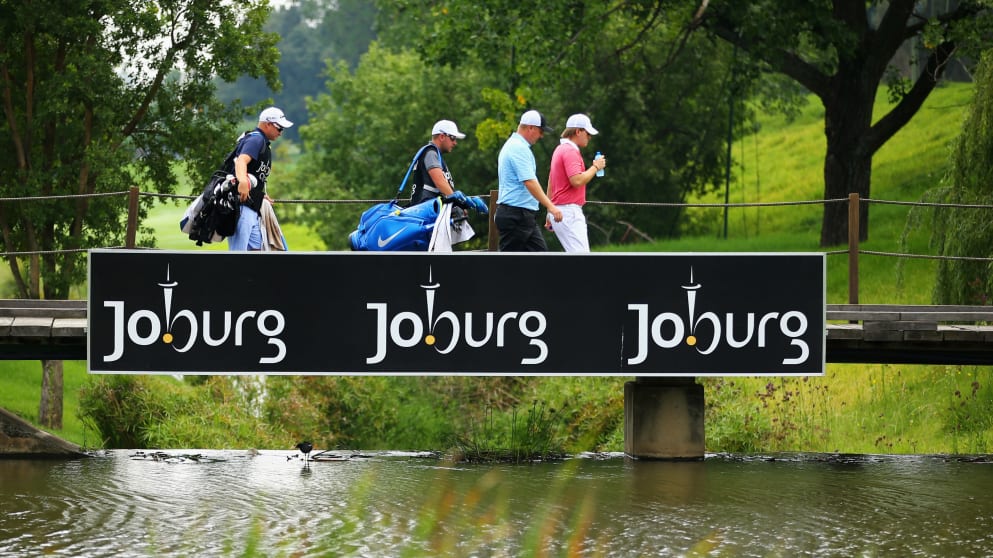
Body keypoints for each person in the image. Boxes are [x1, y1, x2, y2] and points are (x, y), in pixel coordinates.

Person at [494, 110, 562, 251]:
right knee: (507, 266)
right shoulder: (518, 148)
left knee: (540, 261)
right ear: (531, 128)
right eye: (540, 131)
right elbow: (529, 182)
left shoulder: (516, 145)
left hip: (522, 216)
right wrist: (550, 206)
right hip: (515, 215)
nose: (541, 136)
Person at [228, 106, 293, 251]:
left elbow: (255, 175)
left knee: (258, 250)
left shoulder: (263, 143)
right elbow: (241, 161)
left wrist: (261, 194)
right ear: (267, 124)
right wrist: (243, 182)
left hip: (252, 207)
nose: (281, 133)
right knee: (238, 255)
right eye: (279, 128)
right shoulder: (256, 140)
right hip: (241, 206)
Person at [546, 113, 606, 252]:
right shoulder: (570, 151)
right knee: (582, 260)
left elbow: (551, 181)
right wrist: (596, 166)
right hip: (569, 212)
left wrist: (550, 210)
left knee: (577, 260)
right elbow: (577, 181)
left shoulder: (559, 149)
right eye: (588, 133)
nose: (589, 137)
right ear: (578, 131)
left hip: (560, 210)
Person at [409, 119, 466, 205]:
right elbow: (439, 181)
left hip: (426, 208)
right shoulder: (431, 153)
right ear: (442, 137)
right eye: (452, 138)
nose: (455, 143)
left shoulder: (433, 154)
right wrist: (459, 203)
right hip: (426, 210)